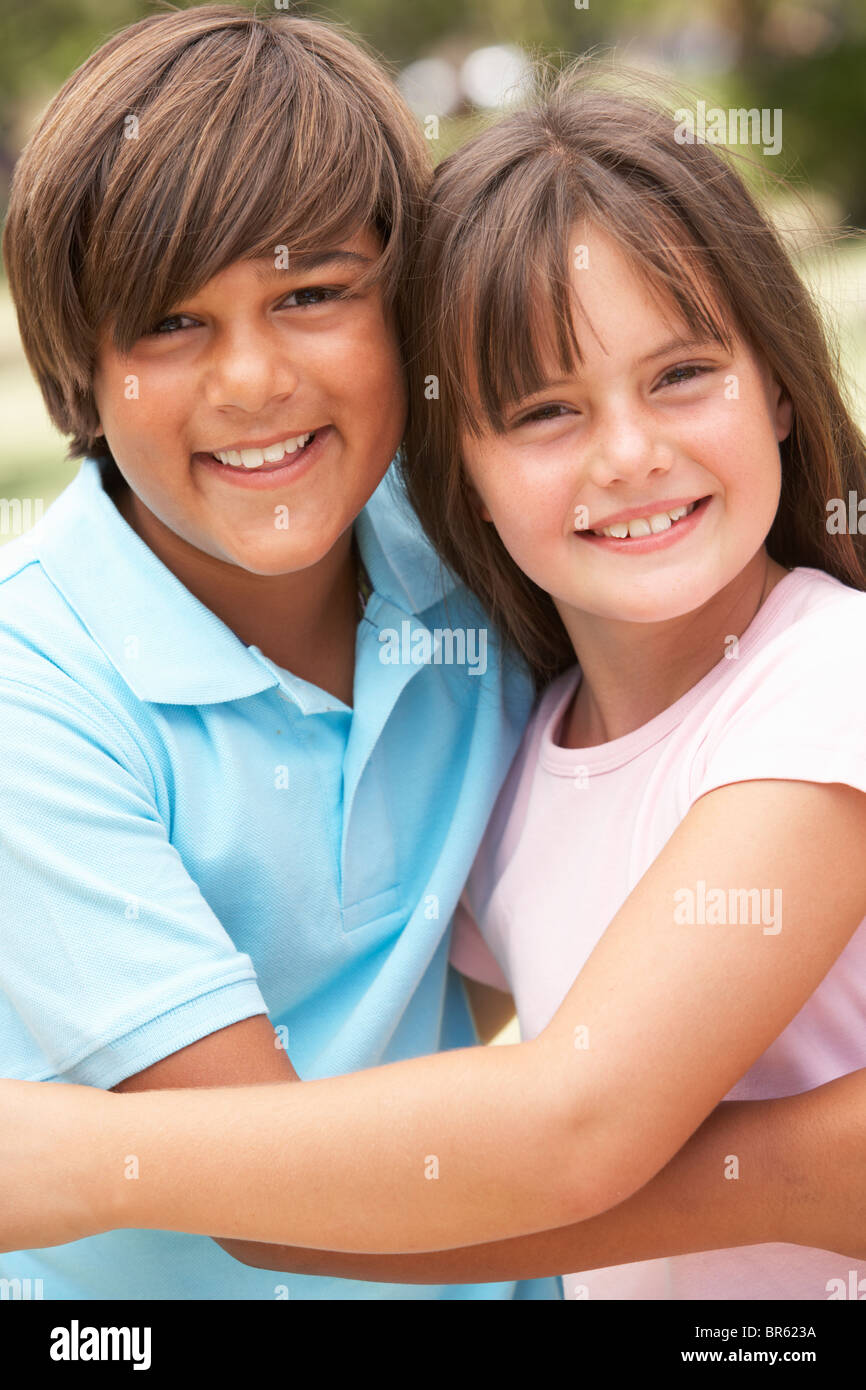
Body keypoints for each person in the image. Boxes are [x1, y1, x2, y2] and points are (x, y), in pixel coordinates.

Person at [2, 56, 866, 1301]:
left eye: (310, 292)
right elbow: (277, 1194)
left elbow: (580, 1106)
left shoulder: (498, 590)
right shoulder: (33, 691)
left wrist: (81, 1158)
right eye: (172, 320)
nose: (251, 381)